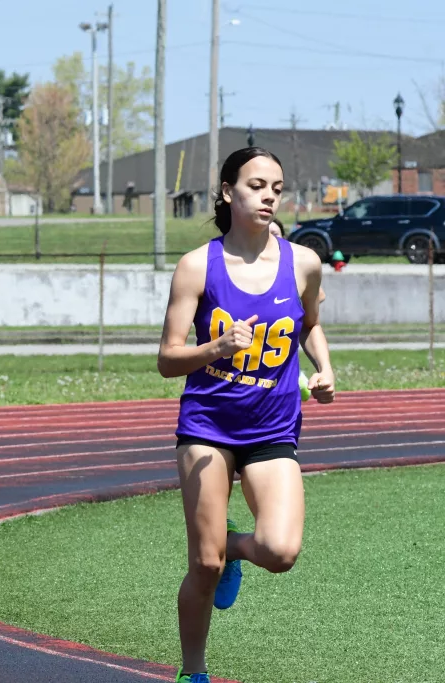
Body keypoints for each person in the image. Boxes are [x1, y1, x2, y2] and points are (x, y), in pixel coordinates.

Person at [157, 147, 336, 683]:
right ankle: (193, 673)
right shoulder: (198, 266)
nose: (269, 196)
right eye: (256, 185)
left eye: (276, 188)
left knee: (280, 551)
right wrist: (216, 348)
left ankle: (233, 548)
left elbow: (308, 324)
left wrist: (325, 367)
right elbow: (167, 360)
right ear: (227, 191)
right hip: (207, 428)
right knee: (203, 565)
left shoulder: (303, 262)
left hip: (272, 428)